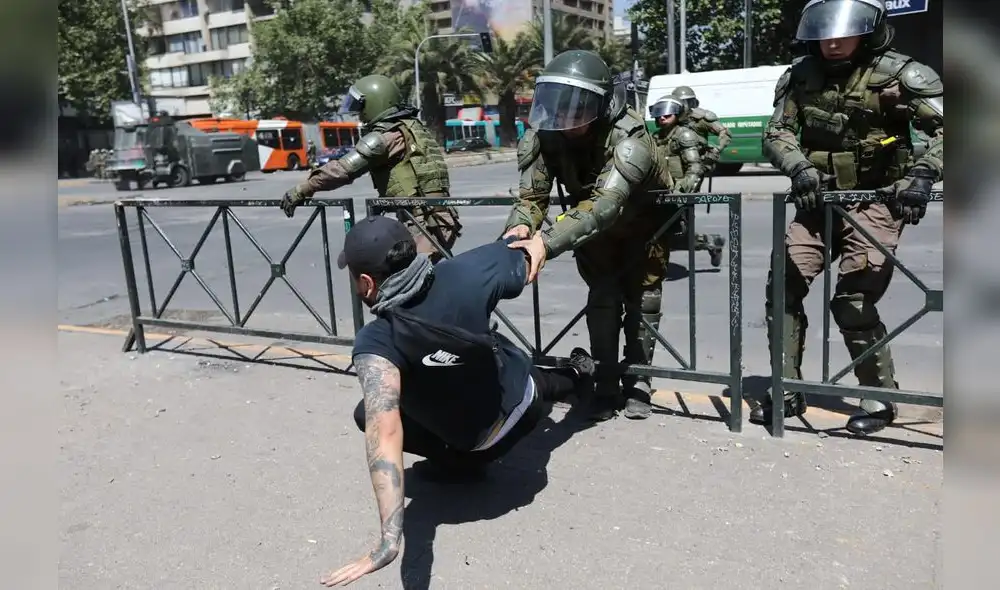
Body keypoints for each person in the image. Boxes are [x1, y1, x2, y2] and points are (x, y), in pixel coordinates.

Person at [320, 215, 595, 586]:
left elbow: (384, 435)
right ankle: (583, 375)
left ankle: (463, 463)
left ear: (366, 283)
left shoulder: (378, 343)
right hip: (521, 403)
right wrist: (519, 244)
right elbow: (529, 259)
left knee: (369, 414)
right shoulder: (467, 270)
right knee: (542, 383)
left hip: (474, 439)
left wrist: (389, 542)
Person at [756, 0, 943, 435]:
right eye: (824, 31)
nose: (833, 40)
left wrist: (922, 174)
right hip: (815, 199)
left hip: (875, 199)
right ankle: (786, 390)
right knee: (783, 289)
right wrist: (798, 167)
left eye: (845, 31)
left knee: (853, 302)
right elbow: (776, 132)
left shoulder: (903, 74)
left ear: (870, 30)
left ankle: (879, 396)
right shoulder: (799, 75)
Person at [501, 50, 668, 421]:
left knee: (644, 302)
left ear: (602, 103)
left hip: (645, 227)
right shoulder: (545, 136)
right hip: (591, 230)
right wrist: (520, 226)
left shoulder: (630, 136)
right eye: (560, 103)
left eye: (578, 106)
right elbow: (531, 198)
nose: (566, 115)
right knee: (603, 301)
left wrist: (545, 241)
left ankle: (639, 382)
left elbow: (606, 203)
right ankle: (605, 383)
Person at [279, 74, 461, 263]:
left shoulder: (388, 137)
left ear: (374, 104)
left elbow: (343, 170)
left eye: (361, 109)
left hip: (424, 226)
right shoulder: (410, 127)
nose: (360, 115)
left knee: (403, 284)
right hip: (434, 219)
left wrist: (304, 189)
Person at [670, 85, 733, 180]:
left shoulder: (700, 118)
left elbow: (725, 133)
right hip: (675, 161)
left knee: (690, 189)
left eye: (689, 102)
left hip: (697, 162)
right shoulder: (670, 118)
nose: (685, 106)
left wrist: (716, 150)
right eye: (681, 102)